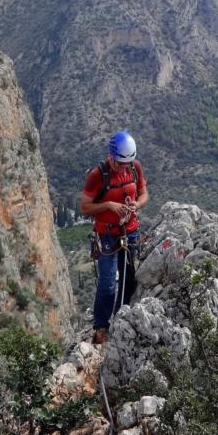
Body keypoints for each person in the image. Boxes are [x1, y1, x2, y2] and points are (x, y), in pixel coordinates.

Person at [80, 130, 149, 345]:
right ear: (111, 155)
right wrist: (109, 205)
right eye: (120, 163)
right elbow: (84, 207)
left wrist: (136, 204)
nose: (123, 167)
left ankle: (121, 318)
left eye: (126, 163)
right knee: (108, 283)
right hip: (107, 235)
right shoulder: (97, 175)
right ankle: (101, 326)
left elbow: (144, 194)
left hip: (130, 232)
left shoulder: (134, 168)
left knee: (128, 279)